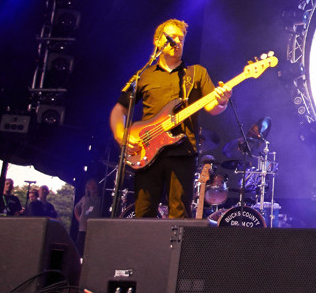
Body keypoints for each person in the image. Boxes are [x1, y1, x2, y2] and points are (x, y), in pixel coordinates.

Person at [109, 19, 232, 218]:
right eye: (172, 37)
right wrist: (122, 136)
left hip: (182, 153)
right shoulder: (144, 75)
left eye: (181, 38)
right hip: (146, 152)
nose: (177, 42)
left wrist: (222, 101)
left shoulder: (195, 73)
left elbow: (211, 106)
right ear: (158, 41)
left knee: (179, 214)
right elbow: (120, 109)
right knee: (143, 214)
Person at [73, 178, 101, 255]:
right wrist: (79, 218)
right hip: (83, 227)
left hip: (95, 227)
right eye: (90, 186)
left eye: (94, 185)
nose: (92, 187)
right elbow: (76, 208)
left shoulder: (100, 199)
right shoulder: (84, 198)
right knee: (80, 245)